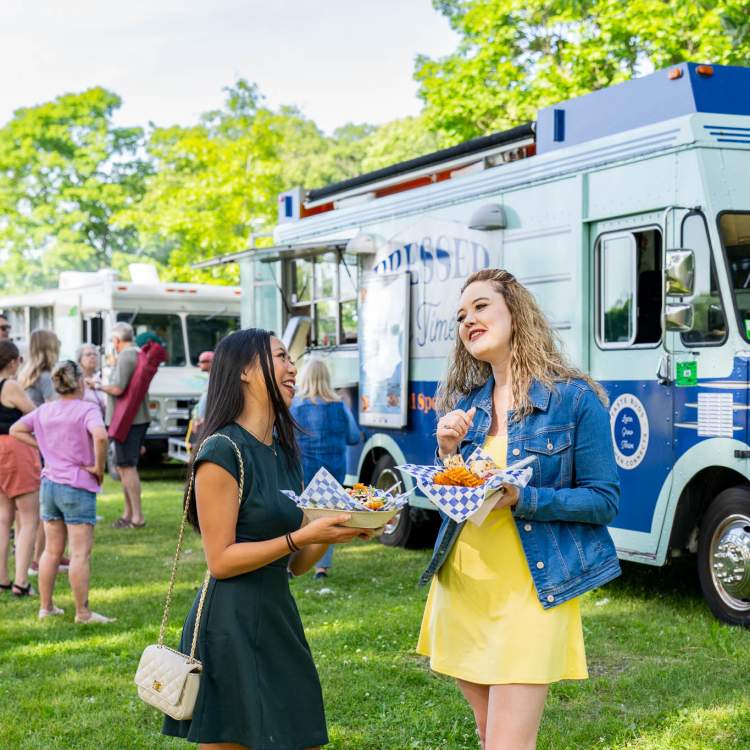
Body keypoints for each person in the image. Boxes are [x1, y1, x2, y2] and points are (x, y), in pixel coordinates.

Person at [417, 269, 621, 750]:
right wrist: (448, 455)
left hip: (532, 591)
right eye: (461, 315)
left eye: (481, 306)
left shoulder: (573, 399)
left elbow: (604, 499)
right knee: (493, 737)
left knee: (507, 743)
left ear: (516, 312)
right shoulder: (467, 406)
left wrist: (523, 498)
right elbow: (458, 498)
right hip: (464, 588)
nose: (468, 319)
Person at [163, 328, 373, 750]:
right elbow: (220, 560)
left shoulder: (284, 451)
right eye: (280, 357)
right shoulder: (221, 450)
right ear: (244, 370)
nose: (292, 368)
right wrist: (300, 537)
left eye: (291, 359)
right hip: (229, 626)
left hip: (278, 617)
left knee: (303, 737)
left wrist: (335, 528)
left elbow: (295, 564)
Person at [11, 360, 113, 623]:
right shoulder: (86, 409)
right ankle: (83, 612)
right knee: (79, 553)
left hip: (50, 485)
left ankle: (46, 607)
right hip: (77, 485)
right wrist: (98, 467)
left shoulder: (45, 410)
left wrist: (43, 448)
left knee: (51, 551)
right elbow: (100, 436)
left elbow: (16, 429)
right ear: (79, 382)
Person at [291, 358, 360, 579]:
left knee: (299, 516)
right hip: (334, 470)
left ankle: (289, 564)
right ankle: (322, 568)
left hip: (304, 469)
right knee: (328, 516)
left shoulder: (295, 405)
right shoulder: (339, 405)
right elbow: (353, 437)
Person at [89, 322, 149, 529]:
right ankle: (128, 513)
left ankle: (137, 517)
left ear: (116, 340)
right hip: (136, 418)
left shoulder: (126, 355)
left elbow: (117, 388)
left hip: (127, 421)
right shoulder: (137, 352)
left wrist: (96, 385)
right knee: (124, 467)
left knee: (127, 467)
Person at [17, 328, 63, 575]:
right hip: (43, 443)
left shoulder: (24, 374)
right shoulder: (46, 377)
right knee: (45, 506)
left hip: (28, 442)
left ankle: (41, 555)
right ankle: (39, 558)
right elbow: (55, 409)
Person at [0, 341, 41, 597]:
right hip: (15, 449)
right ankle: (21, 581)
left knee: (3, 517)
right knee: (28, 519)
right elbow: (34, 415)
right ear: (13, 362)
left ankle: (2, 578)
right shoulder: (11, 385)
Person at [18, 329, 60, 407]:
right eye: (57, 344)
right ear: (51, 349)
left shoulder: (27, 374)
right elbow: (53, 410)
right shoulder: (45, 377)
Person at [77, 344, 106, 416]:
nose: (92, 357)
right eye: (88, 354)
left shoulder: (102, 378)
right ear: (80, 359)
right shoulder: (76, 380)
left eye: (95, 354)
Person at [192, 350, 213, 434]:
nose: (198, 364)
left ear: (211, 362)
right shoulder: (208, 380)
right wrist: (195, 417)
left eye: (202, 361)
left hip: (208, 423)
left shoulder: (217, 381)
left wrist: (204, 418)